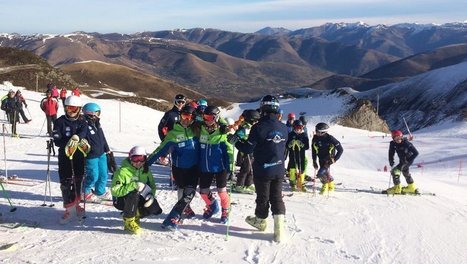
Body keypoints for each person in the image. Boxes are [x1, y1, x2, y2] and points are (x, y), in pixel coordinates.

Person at [228, 95, 288, 242]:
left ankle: (261, 220)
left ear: (263, 109)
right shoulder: (283, 127)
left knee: (263, 197)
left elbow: (248, 149)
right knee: (277, 196)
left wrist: (235, 141)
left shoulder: (258, 127)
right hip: (279, 168)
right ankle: (279, 229)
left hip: (263, 169)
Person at [146, 105, 200, 230]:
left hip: (193, 168)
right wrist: (146, 164)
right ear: (180, 116)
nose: (186, 119)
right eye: (184, 116)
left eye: (190, 117)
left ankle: (172, 218)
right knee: (182, 190)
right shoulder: (173, 134)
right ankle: (183, 210)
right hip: (179, 168)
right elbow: (159, 150)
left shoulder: (196, 131)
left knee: (189, 194)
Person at [52, 95, 89, 224]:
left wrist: (78, 139)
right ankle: (69, 208)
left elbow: (84, 133)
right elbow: (57, 139)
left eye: (73, 108)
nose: (70, 111)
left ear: (79, 109)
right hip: (65, 156)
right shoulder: (59, 121)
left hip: (78, 155)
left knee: (78, 180)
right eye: (68, 108)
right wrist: (68, 144)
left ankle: (77, 204)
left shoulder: (82, 121)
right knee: (66, 183)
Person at [111, 146, 162, 235]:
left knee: (156, 209)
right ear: (130, 158)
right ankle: (129, 220)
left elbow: (152, 186)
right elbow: (115, 191)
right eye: (135, 159)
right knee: (134, 193)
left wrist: (151, 195)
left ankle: (135, 215)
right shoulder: (122, 172)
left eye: (141, 159)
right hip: (121, 200)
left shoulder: (145, 170)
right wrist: (133, 185)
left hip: (139, 197)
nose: (138, 162)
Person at [197, 105, 234, 224]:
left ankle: (225, 210)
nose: (207, 120)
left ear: (216, 118)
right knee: (203, 192)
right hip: (205, 167)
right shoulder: (200, 129)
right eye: (205, 117)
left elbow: (229, 151)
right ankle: (213, 205)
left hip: (220, 167)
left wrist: (230, 168)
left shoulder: (222, 132)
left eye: (211, 118)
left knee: (222, 191)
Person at [81, 102, 113, 203]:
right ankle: (85, 193)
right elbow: (80, 139)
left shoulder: (97, 123)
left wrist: (107, 149)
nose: (98, 115)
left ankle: (100, 191)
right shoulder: (83, 124)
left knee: (104, 174)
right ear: (90, 113)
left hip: (101, 153)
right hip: (91, 155)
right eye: (97, 113)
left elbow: (102, 138)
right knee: (93, 175)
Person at [232, 109, 260, 194]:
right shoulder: (245, 128)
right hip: (246, 151)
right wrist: (237, 139)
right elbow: (237, 136)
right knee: (246, 168)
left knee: (251, 168)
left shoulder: (252, 127)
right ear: (251, 120)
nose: (256, 122)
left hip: (253, 150)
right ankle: (239, 185)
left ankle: (249, 184)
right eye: (255, 120)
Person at [311, 122, 343, 195]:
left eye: (317, 131)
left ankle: (324, 185)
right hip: (320, 158)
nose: (316, 132)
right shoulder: (315, 138)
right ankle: (331, 184)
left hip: (328, 160)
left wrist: (334, 159)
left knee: (320, 174)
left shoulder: (330, 138)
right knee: (325, 173)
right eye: (316, 130)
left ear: (323, 132)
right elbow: (313, 150)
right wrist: (314, 161)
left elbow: (341, 150)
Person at [386, 130, 419, 194]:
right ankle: (411, 187)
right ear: (393, 139)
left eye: (399, 137)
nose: (398, 140)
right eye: (396, 138)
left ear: (401, 137)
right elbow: (391, 152)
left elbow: (416, 153)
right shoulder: (393, 144)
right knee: (405, 172)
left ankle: (397, 189)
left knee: (394, 171)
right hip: (402, 161)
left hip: (408, 161)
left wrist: (408, 161)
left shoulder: (406, 143)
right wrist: (391, 160)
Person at [286, 119, 310, 192]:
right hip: (293, 155)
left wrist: (301, 144)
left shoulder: (304, 135)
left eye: (300, 128)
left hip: (301, 155)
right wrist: (290, 144)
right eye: (296, 128)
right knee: (292, 169)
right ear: (293, 128)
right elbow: (287, 146)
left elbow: (307, 147)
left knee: (301, 169)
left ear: (302, 127)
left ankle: (301, 183)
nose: (298, 129)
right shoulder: (291, 134)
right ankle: (292, 182)